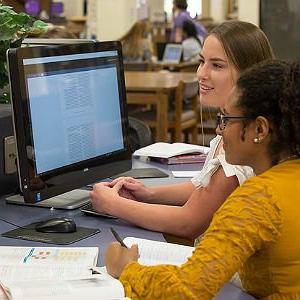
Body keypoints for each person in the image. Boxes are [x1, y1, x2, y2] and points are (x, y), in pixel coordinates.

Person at [105, 59, 300, 299]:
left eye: (226, 120)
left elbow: (186, 290)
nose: (219, 130)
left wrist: (126, 269)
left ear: (259, 130)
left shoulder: (257, 199)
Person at [90, 21, 274, 242]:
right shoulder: (234, 127)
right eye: (201, 61)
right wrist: (148, 194)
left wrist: (114, 204)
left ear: (249, 74)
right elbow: (203, 187)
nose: (201, 74)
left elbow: (188, 222)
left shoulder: (242, 144)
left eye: (216, 65)